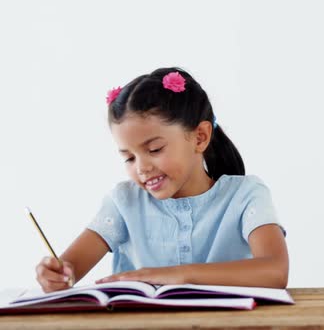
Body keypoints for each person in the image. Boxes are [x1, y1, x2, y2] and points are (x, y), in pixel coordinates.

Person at [35, 67, 289, 292]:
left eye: (155, 150)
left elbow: (275, 271)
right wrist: (55, 275)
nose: (142, 168)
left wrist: (176, 276)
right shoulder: (124, 202)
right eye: (129, 158)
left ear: (200, 137)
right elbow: (69, 271)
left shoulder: (245, 195)